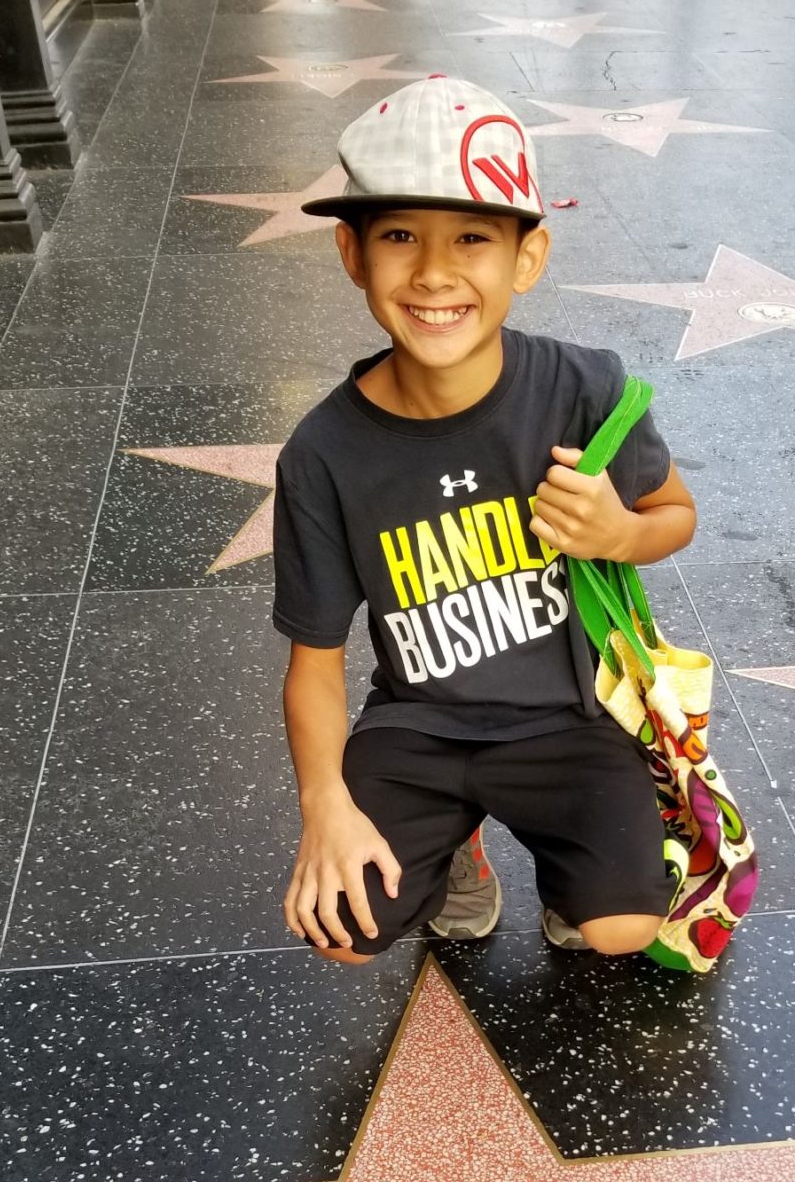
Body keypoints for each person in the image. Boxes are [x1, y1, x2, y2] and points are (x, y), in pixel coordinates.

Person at [273, 74, 698, 965]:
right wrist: (326, 808)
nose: (433, 273)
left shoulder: (585, 390)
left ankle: (565, 862)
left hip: (569, 718)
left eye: (472, 237)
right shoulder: (324, 453)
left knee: (621, 928)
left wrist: (621, 534)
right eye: (399, 237)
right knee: (343, 936)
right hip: (417, 726)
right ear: (352, 254)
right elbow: (312, 666)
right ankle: (456, 856)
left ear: (526, 259)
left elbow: (674, 513)